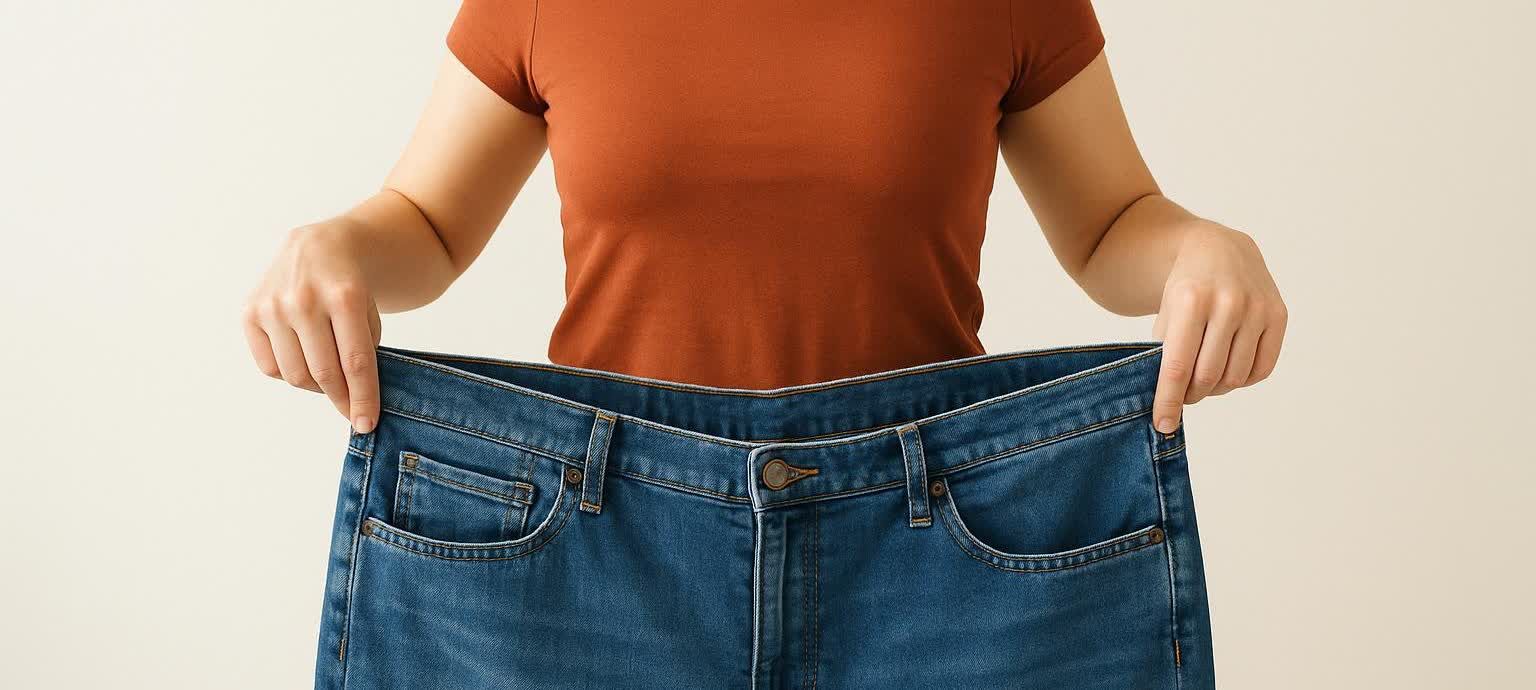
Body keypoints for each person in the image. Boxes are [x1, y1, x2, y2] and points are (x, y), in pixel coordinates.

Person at [245, 1, 1284, 687]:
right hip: (602, 559)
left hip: (932, 563)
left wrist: (1201, 246)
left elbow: (1110, 223)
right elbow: (426, 221)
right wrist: (337, 245)